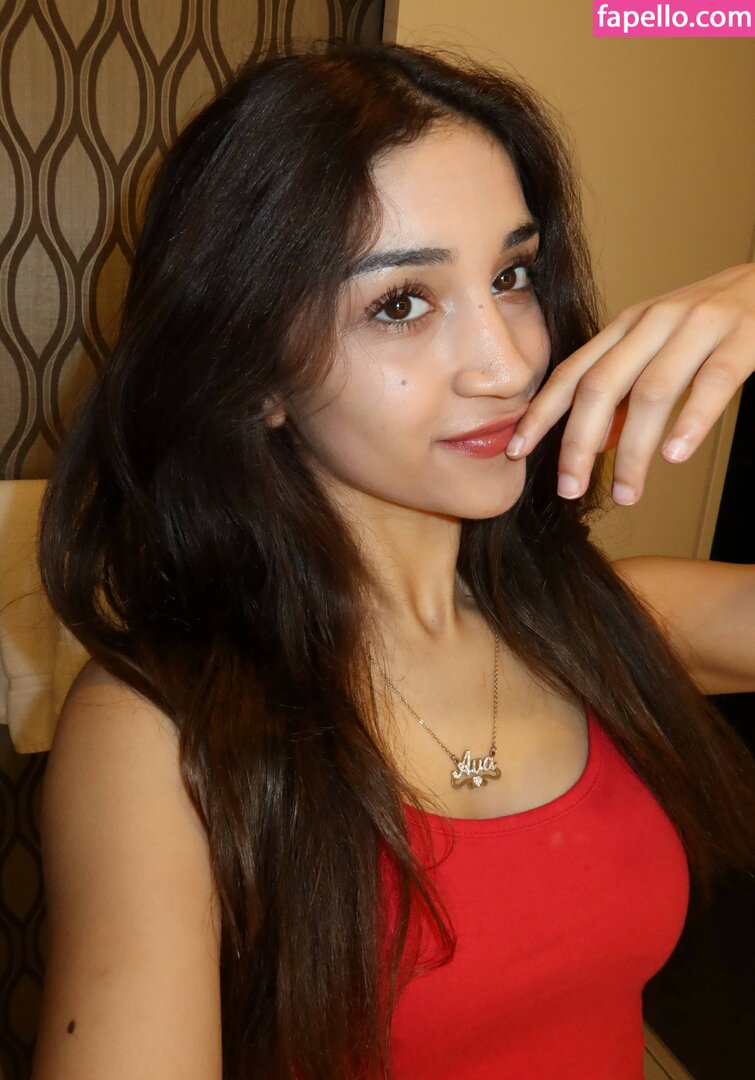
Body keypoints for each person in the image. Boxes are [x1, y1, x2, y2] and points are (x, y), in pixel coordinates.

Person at [31, 39, 755, 1080]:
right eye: (400, 303)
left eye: (511, 275)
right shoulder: (160, 732)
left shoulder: (610, 625)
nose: (507, 362)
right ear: (255, 373)